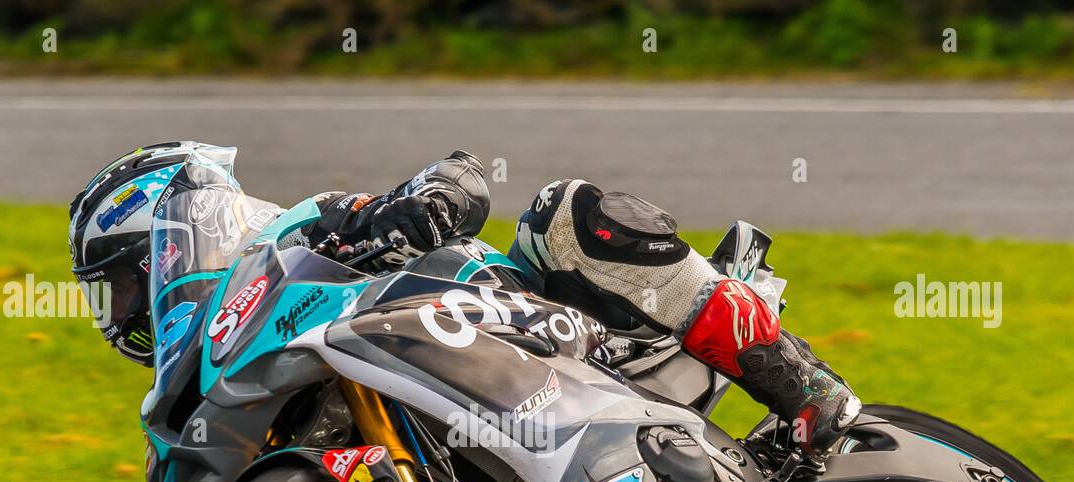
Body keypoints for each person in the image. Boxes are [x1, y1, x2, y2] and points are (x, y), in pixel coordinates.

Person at [69, 142, 858, 453]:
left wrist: (425, 203)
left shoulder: (306, 231)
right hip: (489, 427)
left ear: (166, 238)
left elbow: (463, 173)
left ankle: (804, 385)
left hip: (565, 336)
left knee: (565, 212)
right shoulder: (221, 370)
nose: (124, 308)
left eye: (125, 279)